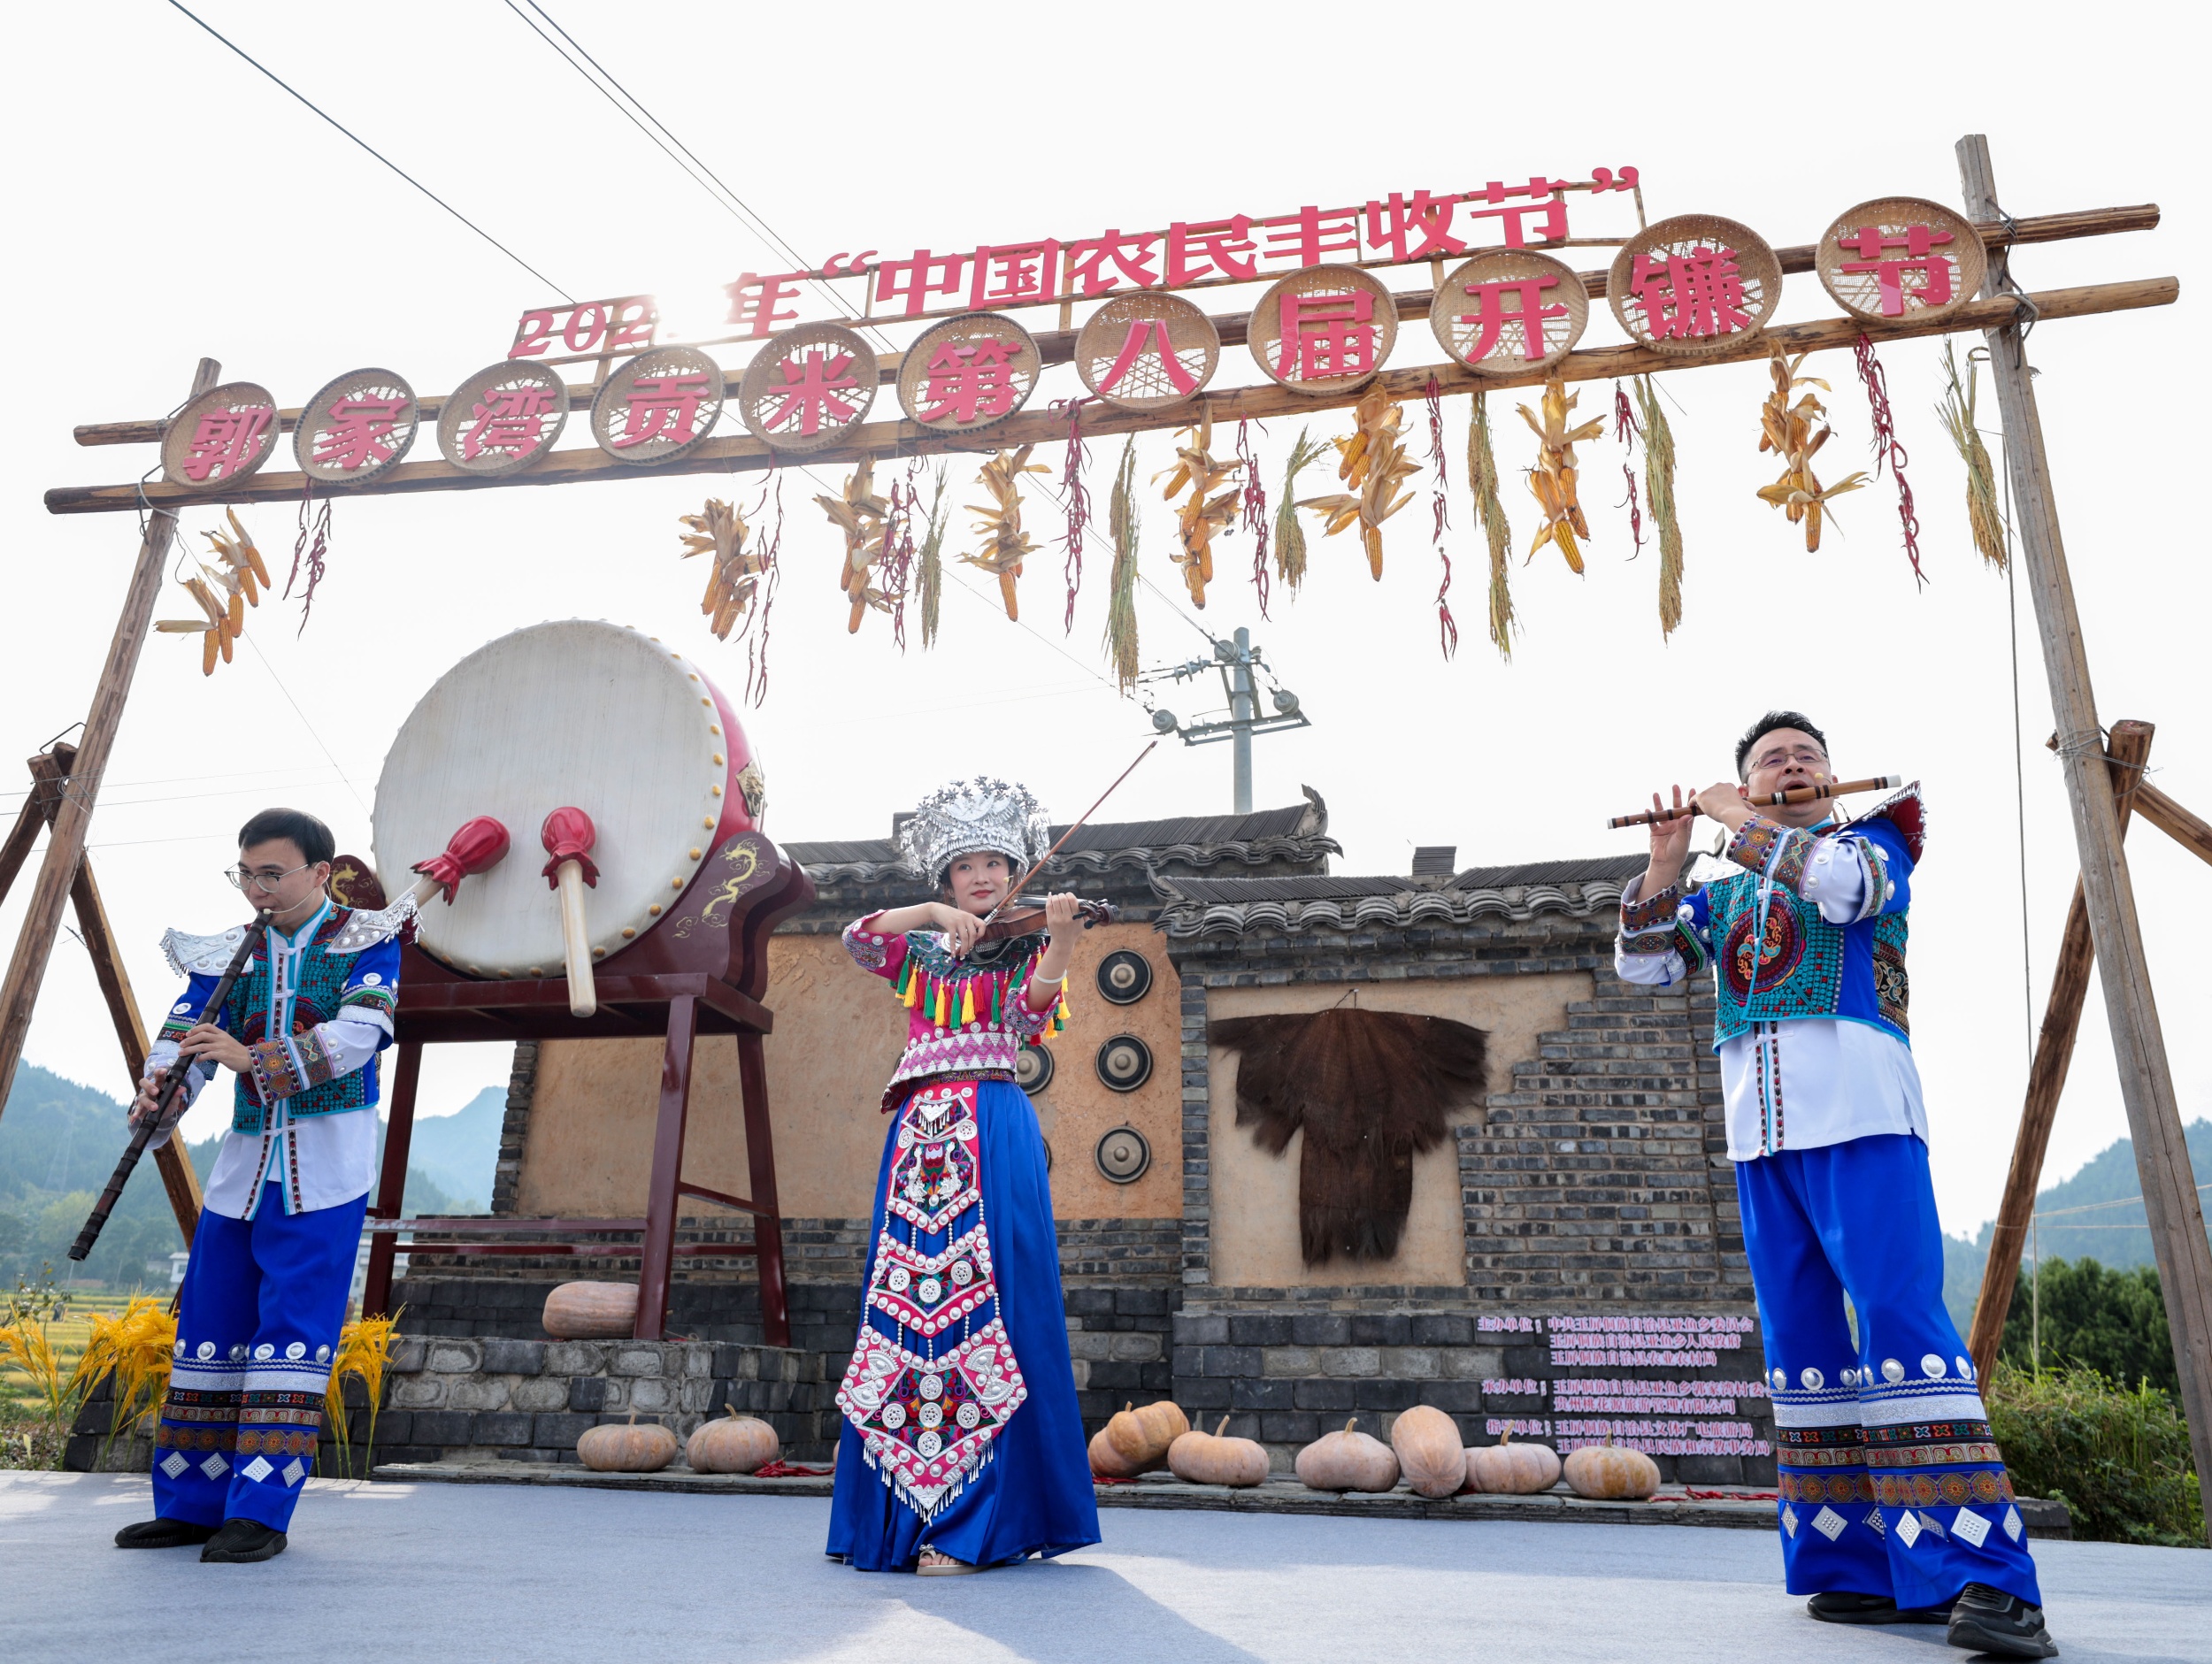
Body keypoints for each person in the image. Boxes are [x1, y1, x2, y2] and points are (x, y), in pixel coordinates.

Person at [1616, 713, 2056, 1660]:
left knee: (1901, 1327)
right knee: (1803, 1346)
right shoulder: (1726, 891)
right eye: (1769, 760)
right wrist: (1664, 861)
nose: (1789, 766)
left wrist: (1733, 818)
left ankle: (1985, 1579)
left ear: (1829, 781)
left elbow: (1843, 892)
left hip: (1861, 1113)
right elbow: (1645, 967)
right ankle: (1857, 1567)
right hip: (1761, 1137)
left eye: (1803, 758)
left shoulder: (1876, 837)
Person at [114, 808, 405, 1564]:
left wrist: (251, 1058)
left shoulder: (365, 942)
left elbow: (354, 1039)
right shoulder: (225, 955)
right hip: (243, 1174)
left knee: (291, 1339)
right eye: (246, 874)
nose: (257, 889)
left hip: (325, 1175)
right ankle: (190, 1506)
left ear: (320, 870)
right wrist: (162, 1093)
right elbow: (182, 1041)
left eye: (272, 874)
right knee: (208, 1329)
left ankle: (260, 1513)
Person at [826, 777, 1102, 1575]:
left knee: (991, 1304)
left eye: (995, 862)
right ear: (946, 878)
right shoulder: (918, 943)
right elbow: (858, 935)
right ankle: (897, 1514)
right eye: (966, 867)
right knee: (909, 1307)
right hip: (920, 1132)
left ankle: (976, 1518)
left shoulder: (1023, 942)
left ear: (1014, 866)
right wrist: (934, 918)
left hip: (991, 1123)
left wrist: (1061, 941)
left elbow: (1026, 1019)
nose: (983, 878)